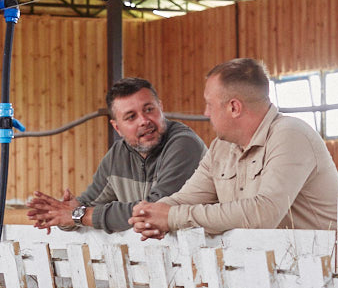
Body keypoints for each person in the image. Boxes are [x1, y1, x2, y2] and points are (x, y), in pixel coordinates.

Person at [131, 58, 338, 240]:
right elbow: (187, 197)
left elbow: (263, 213)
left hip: (321, 275)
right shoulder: (220, 147)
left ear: (234, 107)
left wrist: (170, 218)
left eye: (209, 104)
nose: (206, 113)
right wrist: (149, 214)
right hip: (269, 272)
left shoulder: (291, 134)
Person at [26, 77, 205, 233]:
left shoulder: (184, 144)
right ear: (117, 127)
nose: (144, 121)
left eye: (149, 109)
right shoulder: (118, 155)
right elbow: (84, 206)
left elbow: (155, 210)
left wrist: (78, 215)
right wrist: (59, 214)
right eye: (131, 117)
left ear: (161, 108)